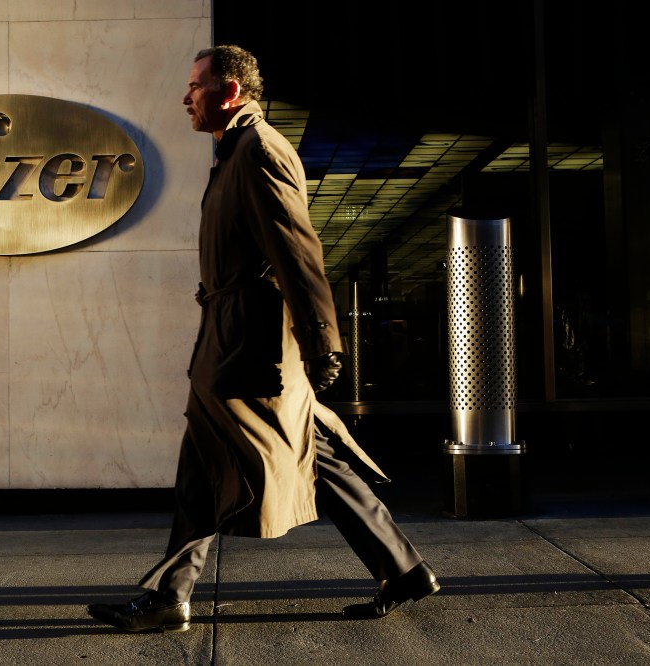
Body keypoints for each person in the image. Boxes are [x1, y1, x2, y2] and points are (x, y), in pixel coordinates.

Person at [87, 45, 439, 633]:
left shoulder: (259, 150)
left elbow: (297, 250)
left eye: (196, 86)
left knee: (233, 459)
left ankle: (171, 597)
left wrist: (322, 341)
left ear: (230, 91)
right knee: (271, 456)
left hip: (250, 347)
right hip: (235, 340)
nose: (185, 97)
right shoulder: (237, 151)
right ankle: (401, 570)